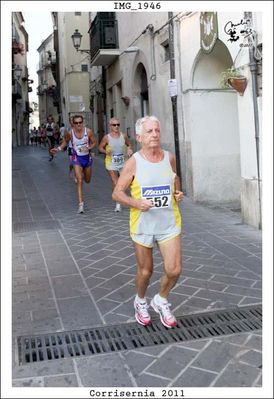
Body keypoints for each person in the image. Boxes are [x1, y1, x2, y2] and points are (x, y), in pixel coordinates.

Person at [112, 115, 184, 328]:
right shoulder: (133, 162)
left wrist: (177, 193)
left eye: (157, 131)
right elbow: (117, 193)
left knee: (174, 270)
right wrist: (136, 202)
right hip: (143, 225)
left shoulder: (169, 157)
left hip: (169, 223)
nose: (154, 135)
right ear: (139, 136)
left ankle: (161, 300)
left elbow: (175, 180)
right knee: (146, 271)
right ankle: (140, 301)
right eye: (149, 131)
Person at [50, 114, 96, 214]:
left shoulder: (88, 132)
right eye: (76, 123)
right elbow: (64, 143)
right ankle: (81, 205)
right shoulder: (70, 133)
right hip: (77, 158)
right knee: (79, 181)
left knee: (87, 180)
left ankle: (82, 172)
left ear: (82, 122)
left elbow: (94, 142)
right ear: (73, 124)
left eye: (80, 122)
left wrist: (89, 147)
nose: (78, 124)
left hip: (87, 158)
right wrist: (57, 149)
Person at [98, 117, 133, 212]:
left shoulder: (123, 136)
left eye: (118, 125)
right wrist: (106, 152)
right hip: (111, 163)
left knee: (125, 183)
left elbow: (129, 144)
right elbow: (100, 148)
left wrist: (129, 149)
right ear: (110, 126)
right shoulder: (106, 137)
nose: (116, 126)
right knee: (116, 182)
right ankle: (118, 203)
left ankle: (119, 196)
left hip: (123, 163)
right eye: (114, 125)